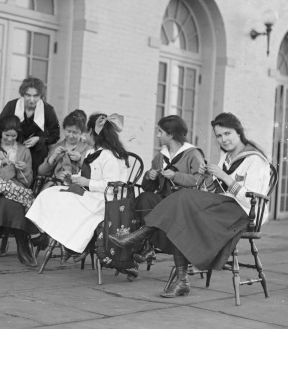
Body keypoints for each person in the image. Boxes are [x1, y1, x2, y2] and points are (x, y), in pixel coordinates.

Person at [109, 112, 271, 298]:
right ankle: (181, 281)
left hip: (243, 213)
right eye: (219, 135)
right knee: (183, 214)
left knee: (184, 198)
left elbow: (252, 199)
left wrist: (224, 176)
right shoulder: (226, 156)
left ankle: (141, 236)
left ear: (238, 132)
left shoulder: (255, 159)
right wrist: (207, 176)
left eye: (227, 134)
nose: (223, 140)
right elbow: (215, 190)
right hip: (225, 206)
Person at [26, 112, 129, 263]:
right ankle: (48, 235)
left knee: (66, 202)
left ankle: (74, 245)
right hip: (91, 195)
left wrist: (86, 182)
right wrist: (71, 178)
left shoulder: (110, 156)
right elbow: (84, 174)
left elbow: (113, 185)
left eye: (87, 130)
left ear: (92, 132)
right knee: (51, 194)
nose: (85, 135)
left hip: (105, 201)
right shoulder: (93, 152)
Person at [133, 115, 205, 263]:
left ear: (171, 134)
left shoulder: (193, 154)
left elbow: (200, 180)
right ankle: (148, 246)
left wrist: (175, 176)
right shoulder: (160, 157)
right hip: (165, 199)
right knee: (144, 198)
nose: (158, 135)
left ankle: (153, 244)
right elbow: (148, 187)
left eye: (160, 132)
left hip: (185, 203)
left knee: (162, 207)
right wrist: (149, 176)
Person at [0, 114, 36, 267]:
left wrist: (24, 170)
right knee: (5, 202)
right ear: (0, 133)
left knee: (11, 203)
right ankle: (21, 248)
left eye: (13, 136)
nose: (10, 139)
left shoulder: (23, 151)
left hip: (14, 192)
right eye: (6, 135)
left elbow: (27, 183)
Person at [0, 76, 60, 182]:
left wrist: (39, 139)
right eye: (28, 95)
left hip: (37, 155)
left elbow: (55, 134)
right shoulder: (12, 106)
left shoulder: (48, 110)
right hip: (14, 152)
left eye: (36, 96)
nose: (32, 100)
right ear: (22, 94)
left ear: (41, 95)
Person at [36, 110, 91, 189]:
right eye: (68, 131)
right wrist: (52, 158)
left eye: (75, 133)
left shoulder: (87, 148)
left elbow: (92, 173)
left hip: (76, 187)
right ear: (64, 129)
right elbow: (41, 172)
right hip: (54, 185)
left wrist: (80, 159)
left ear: (81, 133)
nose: (71, 135)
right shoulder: (57, 147)